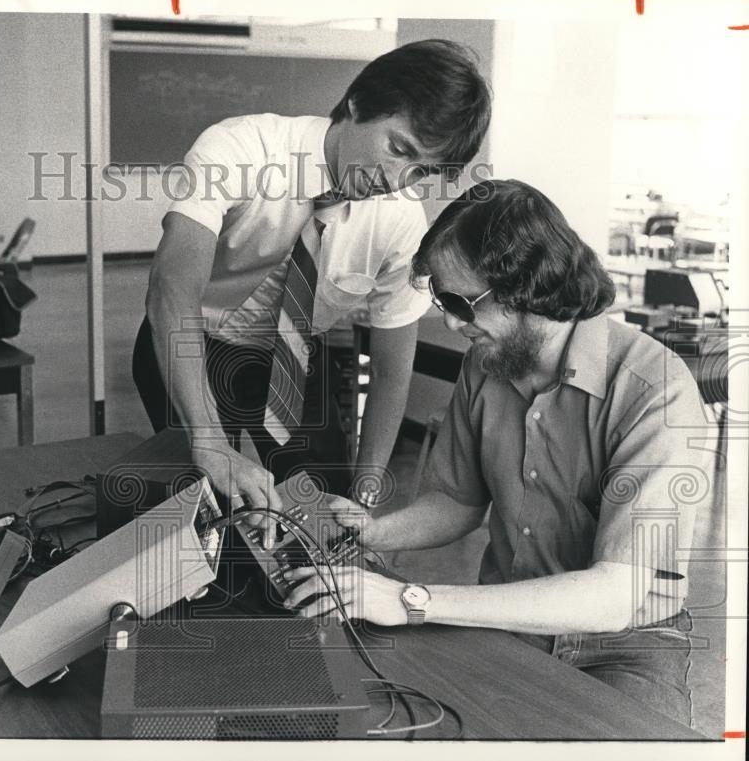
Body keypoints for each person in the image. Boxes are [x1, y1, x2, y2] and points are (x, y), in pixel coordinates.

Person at [283, 179, 712, 727]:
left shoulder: (656, 391)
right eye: (442, 300)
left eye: (461, 302)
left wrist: (412, 600)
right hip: (506, 621)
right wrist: (372, 532)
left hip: (625, 645)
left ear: (527, 285)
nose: (451, 322)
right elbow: (459, 502)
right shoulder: (486, 366)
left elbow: (614, 596)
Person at [133, 40, 492, 550]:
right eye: (399, 149)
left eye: (422, 171)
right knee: (203, 513)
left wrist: (364, 495)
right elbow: (171, 291)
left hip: (293, 359)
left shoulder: (401, 220)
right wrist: (210, 442)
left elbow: (391, 370)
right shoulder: (241, 147)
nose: (396, 180)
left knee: (324, 524)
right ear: (357, 104)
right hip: (191, 340)